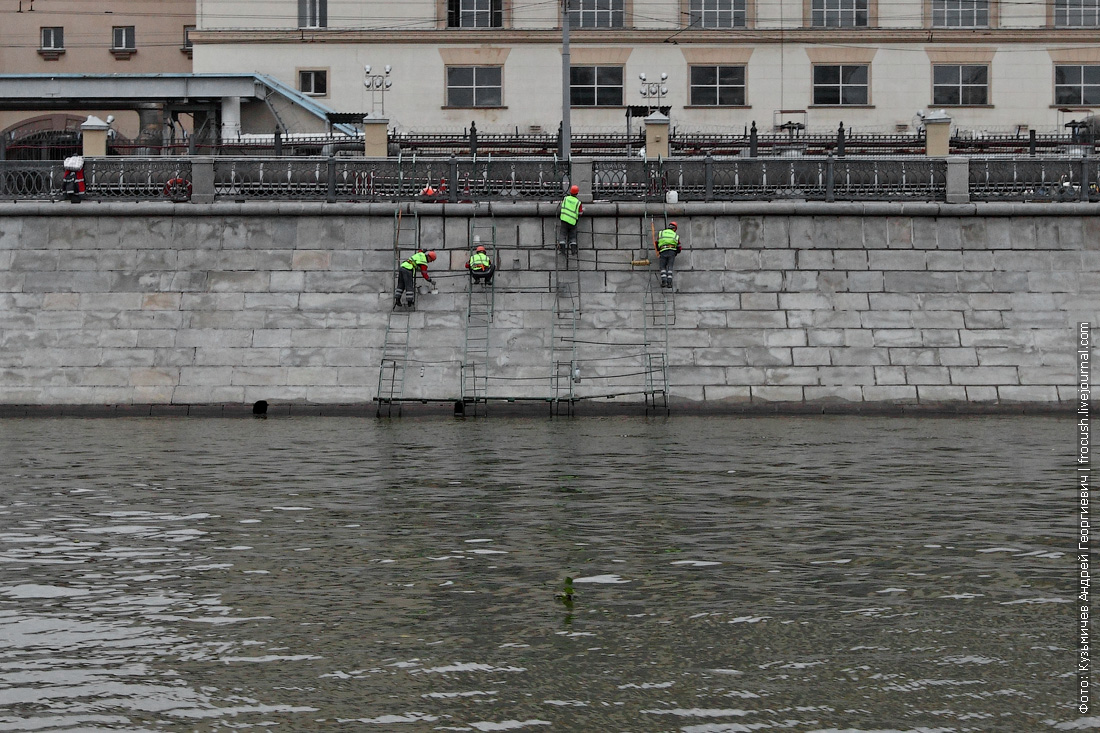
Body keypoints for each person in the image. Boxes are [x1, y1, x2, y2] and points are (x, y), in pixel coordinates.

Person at [655, 221, 681, 289]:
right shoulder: (675, 235)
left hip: (663, 250)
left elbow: (657, 242)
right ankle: (669, 283)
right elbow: (679, 247)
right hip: (672, 251)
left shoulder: (661, 233)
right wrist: (676, 252)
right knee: (670, 267)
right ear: (675, 229)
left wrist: (658, 250)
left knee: (662, 267)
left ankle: (664, 282)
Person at [558, 184, 582, 256]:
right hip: (573, 222)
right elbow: (580, 213)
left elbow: (562, 206)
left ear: (570, 192)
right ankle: (573, 251)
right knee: (573, 236)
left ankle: (562, 251)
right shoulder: (578, 202)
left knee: (562, 234)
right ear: (577, 193)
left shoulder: (565, 199)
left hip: (564, 220)